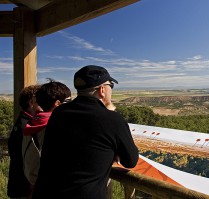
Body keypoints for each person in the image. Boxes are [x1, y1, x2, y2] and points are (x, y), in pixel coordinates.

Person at [32, 65, 139, 199]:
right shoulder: (113, 120)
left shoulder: (59, 113)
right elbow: (131, 161)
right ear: (102, 90)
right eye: (110, 85)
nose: (111, 89)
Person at [22, 79, 71, 190]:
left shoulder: (32, 123)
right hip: (54, 185)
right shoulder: (57, 126)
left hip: (35, 183)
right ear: (58, 103)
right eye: (68, 101)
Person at [7, 85, 42, 199]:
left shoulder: (22, 122)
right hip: (25, 189)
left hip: (19, 186)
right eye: (41, 100)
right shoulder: (27, 126)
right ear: (32, 102)